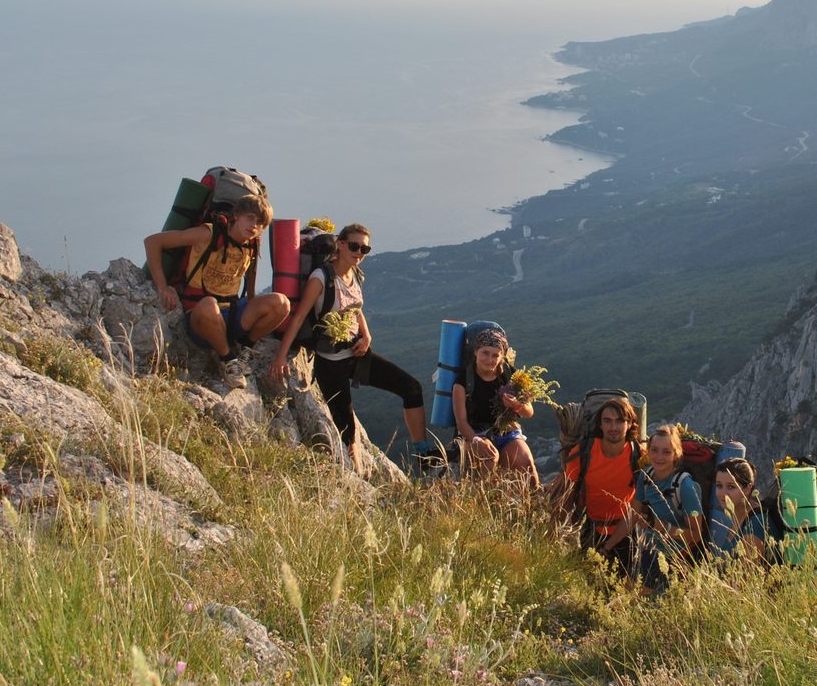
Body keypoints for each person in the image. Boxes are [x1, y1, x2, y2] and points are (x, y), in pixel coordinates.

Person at [266, 224, 431, 476]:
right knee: (348, 431)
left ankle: (423, 455)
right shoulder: (321, 278)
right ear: (340, 244)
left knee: (412, 388)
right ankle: (358, 480)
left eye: (364, 248)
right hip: (330, 363)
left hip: (357, 354)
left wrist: (367, 335)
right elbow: (299, 318)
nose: (359, 252)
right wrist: (280, 357)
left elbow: (355, 307)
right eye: (354, 246)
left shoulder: (354, 273)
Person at [144, 194, 289, 388]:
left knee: (281, 303)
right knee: (209, 305)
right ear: (236, 215)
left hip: (232, 312)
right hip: (201, 317)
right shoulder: (208, 234)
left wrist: (258, 312)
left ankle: (244, 352)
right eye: (250, 217)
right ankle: (228, 361)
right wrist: (162, 286)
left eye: (261, 223)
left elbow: (251, 292)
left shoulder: (251, 245)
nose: (254, 225)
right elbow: (152, 242)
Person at [558, 397, 639, 576]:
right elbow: (568, 494)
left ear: (630, 424)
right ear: (600, 425)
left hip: (625, 533)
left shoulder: (640, 456)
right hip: (589, 530)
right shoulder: (582, 452)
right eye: (607, 421)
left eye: (620, 421)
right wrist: (561, 531)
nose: (613, 428)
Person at [452, 326, 537, 485]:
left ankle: (536, 503)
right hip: (473, 434)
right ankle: (483, 503)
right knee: (489, 458)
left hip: (506, 432)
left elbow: (529, 412)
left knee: (526, 465)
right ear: (476, 352)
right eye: (485, 353)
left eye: (495, 355)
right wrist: (476, 440)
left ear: (502, 356)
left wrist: (517, 405)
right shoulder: (463, 381)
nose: (489, 360)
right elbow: (461, 422)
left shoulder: (511, 375)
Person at [634, 425, 704, 593]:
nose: (659, 457)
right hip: (646, 548)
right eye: (654, 450)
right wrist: (607, 547)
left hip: (675, 556)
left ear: (676, 454)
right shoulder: (645, 476)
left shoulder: (684, 486)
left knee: (644, 598)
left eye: (666, 452)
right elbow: (632, 515)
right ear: (648, 451)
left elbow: (696, 534)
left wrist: (662, 527)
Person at [707, 458, 768, 564]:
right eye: (719, 485)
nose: (723, 493)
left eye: (731, 487)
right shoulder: (738, 516)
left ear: (747, 488)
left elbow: (747, 577)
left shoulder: (755, 525)